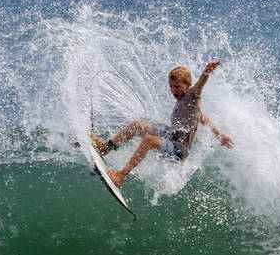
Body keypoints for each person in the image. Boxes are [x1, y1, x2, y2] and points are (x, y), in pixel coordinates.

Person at [91, 61, 233, 188]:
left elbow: (200, 84)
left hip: (179, 148)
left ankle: (120, 176)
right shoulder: (185, 102)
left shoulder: (192, 96)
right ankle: (106, 147)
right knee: (137, 125)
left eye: (177, 86)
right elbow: (202, 117)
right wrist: (218, 133)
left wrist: (206, 72)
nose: (173, 90)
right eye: (171, 86)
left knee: (148, 141)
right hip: (171, 135)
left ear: (188, 85)